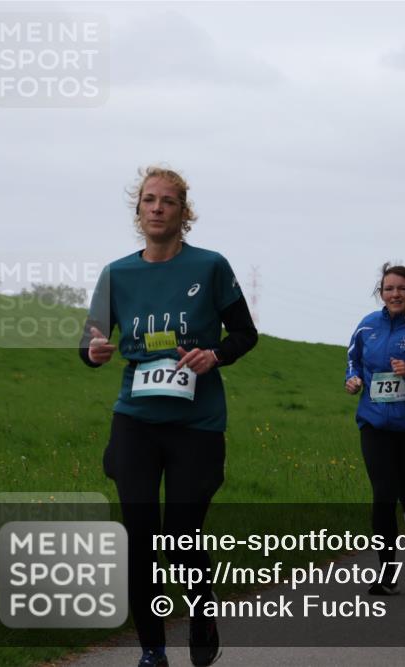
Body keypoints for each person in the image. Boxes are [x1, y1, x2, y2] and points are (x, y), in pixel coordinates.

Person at [81, 167, 258, 667]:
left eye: (168, 201)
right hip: (135, 420)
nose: (157, 208)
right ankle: (152, 651)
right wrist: (92, 350)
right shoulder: (118, 273)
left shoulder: (210, 267)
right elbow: (88, 338)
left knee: (181, 538)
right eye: (149, 200)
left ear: (184, 212)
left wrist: (214, 356)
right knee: (140, 538)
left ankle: (202, 617)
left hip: (196, 427)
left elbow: (245, 334)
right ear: (138, 210)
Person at [345, 264, 405, 595]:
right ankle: (387, 571)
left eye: (402, 288)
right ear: (381, 292)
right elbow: (354, 359)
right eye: (389, 288)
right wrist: (352, 379)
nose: (395, 294)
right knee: (383, 495)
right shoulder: (367, 326)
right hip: (374, 422)